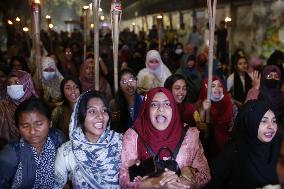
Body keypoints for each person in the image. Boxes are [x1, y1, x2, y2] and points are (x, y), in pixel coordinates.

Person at [119, 87, 211, 189]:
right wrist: (156, 183)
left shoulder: (190, 135)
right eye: (154, 104)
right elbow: (124, 178)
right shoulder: (133, 135)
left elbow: (205, 174)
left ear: (174, 108)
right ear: (146, 108)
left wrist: (183, 181)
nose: (161, 108)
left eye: (167, 104)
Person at [54, 91, 122, 188]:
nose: (100, 116)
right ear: (80, 116)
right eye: (92, 111)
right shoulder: (67, 152)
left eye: (104, 110)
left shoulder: (121, 142)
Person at [209, 100, 280, 189]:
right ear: (249, 122)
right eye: (264, 121)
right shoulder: (234, 152)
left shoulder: (277, 149)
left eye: (274, 121)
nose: (271, 126)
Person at [0, 98, 65, 188]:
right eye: (25, 126)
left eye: (38, 124)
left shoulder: (57, 138)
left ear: (50, 123)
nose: (32, 131)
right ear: (18, 127)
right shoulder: (12, 152)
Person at [0, 70, 38, 149]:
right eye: (9, 84)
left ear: (27, 84)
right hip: (8, 150)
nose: (12, 87)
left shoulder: (37, 106)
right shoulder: (3, 107)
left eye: (17, 83)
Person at [198, 76, 233, 157]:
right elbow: (200, 129)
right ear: (206, 89)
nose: (217, 88)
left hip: (227, 148)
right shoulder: (199, 105)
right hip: (209, 151)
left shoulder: (228, 103)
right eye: (212, 86)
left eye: (220, 86)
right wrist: (203, 110)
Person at [110, 68, 143, 133]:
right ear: (119, 85)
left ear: (136, 81)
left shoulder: (144, 100)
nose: (129, 84)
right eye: (124, 82)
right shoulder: (114, 104)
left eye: (131, 80)